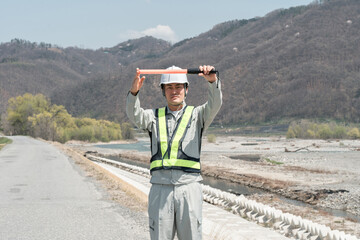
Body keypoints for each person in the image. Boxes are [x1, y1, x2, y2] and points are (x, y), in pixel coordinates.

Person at [126, 65, 222, 240]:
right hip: (160, 189)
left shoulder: (198, 114)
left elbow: (215, 104)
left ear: (186, 89)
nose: (174, 91)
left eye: (178, 87)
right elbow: (135, 115)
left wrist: (213, 82)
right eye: (169, 87)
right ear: (163, 91)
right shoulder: (153, 116)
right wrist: (133, 94)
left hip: (189, 188)